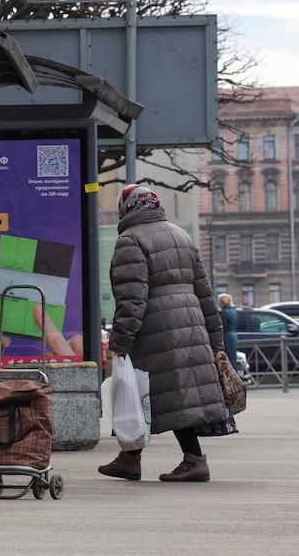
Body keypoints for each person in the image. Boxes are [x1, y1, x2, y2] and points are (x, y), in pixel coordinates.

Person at [98, 184, 227, 483]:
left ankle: (194, 459)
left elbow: (132, 298)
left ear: (126, 209)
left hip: (158, 327)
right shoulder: (180, 234)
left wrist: (120, 341)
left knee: (160, 392)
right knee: (164, 391)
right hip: (190, 322)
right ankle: (130, 458)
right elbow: (205, 294)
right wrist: (215, 339)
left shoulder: (130, 240)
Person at [218, 293, 239, 372]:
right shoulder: (233, 311)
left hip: (226, 336)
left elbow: (221, 326)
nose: (219, 303)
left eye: (220, 301)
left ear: (224, 302)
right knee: (232, 358)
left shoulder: (224, 312)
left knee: (227, 358)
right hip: (233, 336)